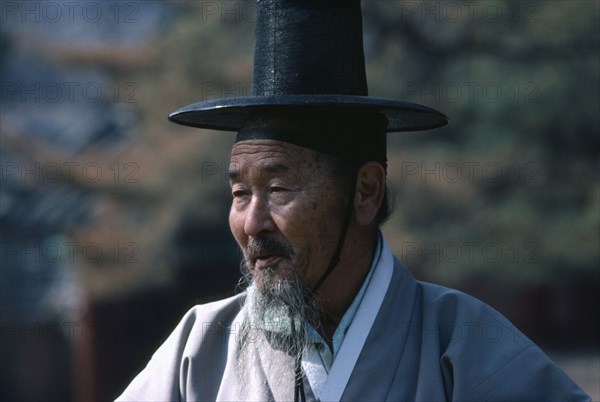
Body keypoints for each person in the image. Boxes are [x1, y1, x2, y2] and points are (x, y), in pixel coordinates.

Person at [117, 1, 590, 401]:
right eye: (240, 194)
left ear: (365, 192)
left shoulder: (462, 343)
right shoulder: (199, 348)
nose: (252, 222)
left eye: (279, 189)